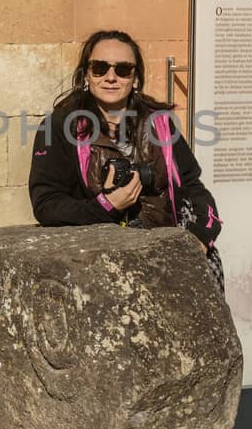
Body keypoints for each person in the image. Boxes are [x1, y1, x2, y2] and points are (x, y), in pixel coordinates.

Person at [28, 27, 225, 293]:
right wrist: (107, 205)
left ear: (135, 78)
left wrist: (200, 237)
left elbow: (191, 186)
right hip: (98, 264)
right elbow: (47, 204)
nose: (111, 77)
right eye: (99, 68)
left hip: (165, 256)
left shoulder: (161, 123)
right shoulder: (59, 128)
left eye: (123, 70)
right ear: (86, 74)